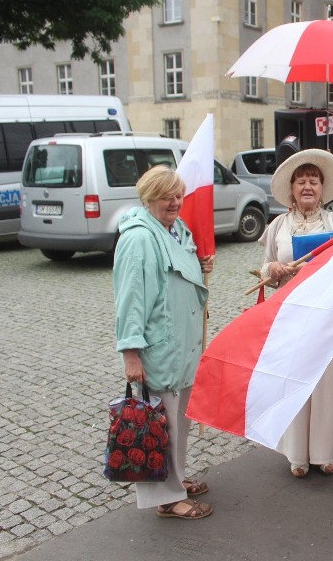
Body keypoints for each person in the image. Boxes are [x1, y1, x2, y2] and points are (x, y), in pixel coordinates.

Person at [113, 165, 215, 520]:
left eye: (178, 195)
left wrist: (200, 263)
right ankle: (167, 500)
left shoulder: (175, 230)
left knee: (178, 422)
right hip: (161, 346)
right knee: (161, 425)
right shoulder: (139, 238)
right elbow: (130, 300)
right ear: (148, 196)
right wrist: (130, 353)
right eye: (167, 195)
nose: (175, 202)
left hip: (183, 346)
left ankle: (176, 480)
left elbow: (181, 271)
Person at [258, 148, 333, 478]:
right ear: (292, 189)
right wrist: (275, 268)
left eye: (313, 181)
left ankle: (324, 453)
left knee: (326, 383)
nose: (307, 186)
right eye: (301, 181)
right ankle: (297, 454)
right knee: (295, 383)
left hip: (327, 315)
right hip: (291, 316)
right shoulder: (279, 225)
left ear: (322, 188)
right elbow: (264, 269)